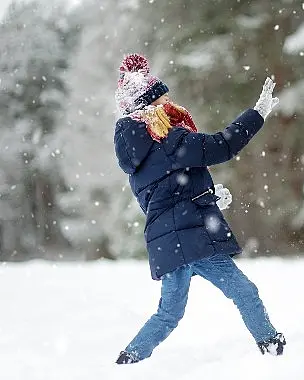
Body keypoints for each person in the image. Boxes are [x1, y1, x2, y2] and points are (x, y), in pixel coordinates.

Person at [112, 53, 285, 364]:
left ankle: (129, 359)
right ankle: (272, 345)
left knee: (169, 314)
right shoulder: (168, 140)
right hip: (194, 241)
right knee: (245, 292)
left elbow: (159, 201)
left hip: (170, 243)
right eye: (163, 97)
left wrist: (208, 198)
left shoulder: (136, 159)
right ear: (151, 107)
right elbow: (222, 145)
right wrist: (257, 114)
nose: (169, 101)